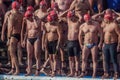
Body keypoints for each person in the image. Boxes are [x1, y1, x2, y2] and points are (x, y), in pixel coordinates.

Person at [1, 1, 23, 75]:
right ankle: (13, 69)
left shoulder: (11, 15)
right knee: (12, 53)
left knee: (12, 53)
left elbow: (10, 28)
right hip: (18, 35)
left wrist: (8, 38)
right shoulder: (21, 14)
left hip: (13, 35)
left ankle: (17, 70)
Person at [78, 14, 103, 78]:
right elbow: (79, 35)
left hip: (94, 44)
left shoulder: (96, 24)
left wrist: (100, 43)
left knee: (94, 59)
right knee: (83, 59)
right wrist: (81, 44)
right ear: (85, 20)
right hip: (86, 44)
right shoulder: (82, 26)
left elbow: (101, 33)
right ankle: (83, 72)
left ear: (90, 19)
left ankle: (94, 74)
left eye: (89, 20)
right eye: (87, 20)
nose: (88, 21)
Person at [21, 10, 42, 76]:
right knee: (29, 55)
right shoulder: (26, 20)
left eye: (28, 18)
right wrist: (24, 40)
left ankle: (37, 71)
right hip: (29, 39)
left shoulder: (37, 19)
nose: (27, 19)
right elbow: (27, 31)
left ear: (31, 16)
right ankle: (29, 71)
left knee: (37, 55)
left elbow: (36, 26)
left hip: (36, 38)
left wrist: (33, 19)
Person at [101, 9, 120, 79]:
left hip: (113, 44)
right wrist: (102, 43)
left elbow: (119, 35)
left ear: (108, 19)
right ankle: (107, 73)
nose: (104, 19)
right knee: (106, 60)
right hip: (106, 44)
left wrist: (118, 45)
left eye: (105, 18)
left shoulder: (114, 25)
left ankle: (116, 73)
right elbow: (103, 35)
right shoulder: (105, 25)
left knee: (114, 59)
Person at [42, 10, 61, 77]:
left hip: (55, 42)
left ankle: (54, 71)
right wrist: (43, 43)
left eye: (51, 21)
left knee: (55, 57)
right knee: (50, 57)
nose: (50, 23)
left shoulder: (57, 25)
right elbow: (44, 35)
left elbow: (59, 36)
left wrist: (58, 45)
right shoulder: (46, 25)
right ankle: (53, 70)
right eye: (49, 22)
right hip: (48, 42)